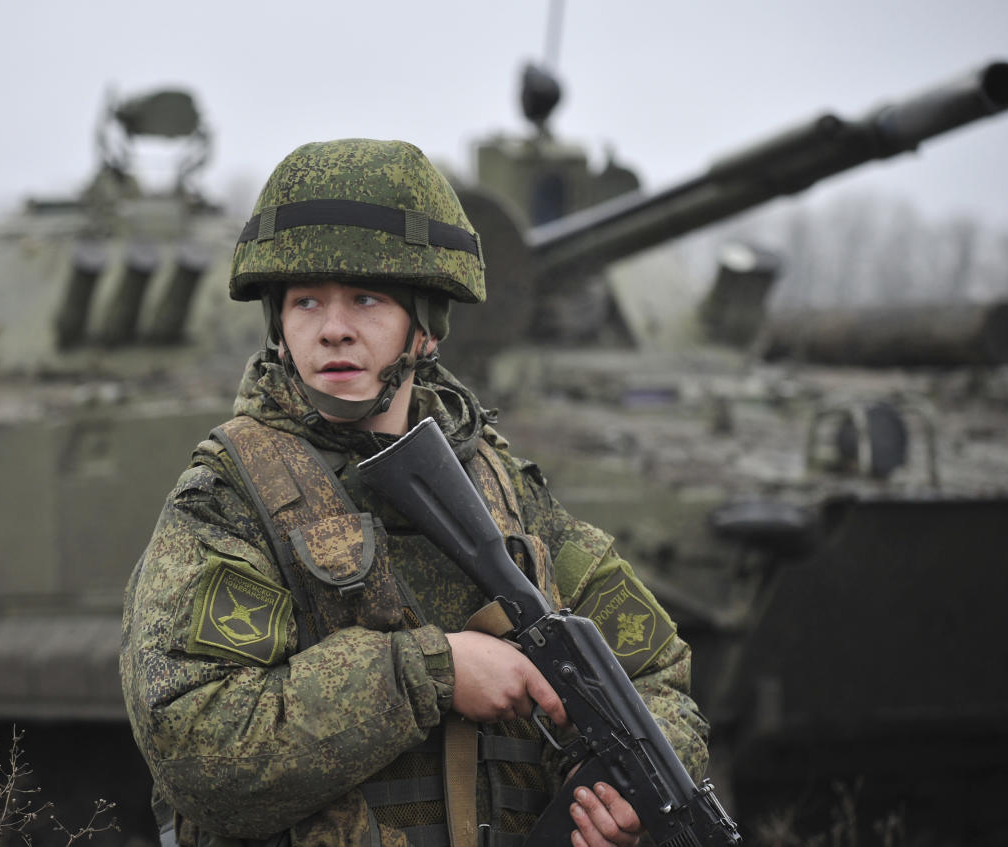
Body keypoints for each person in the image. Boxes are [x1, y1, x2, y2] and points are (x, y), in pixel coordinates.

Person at [121, 138, 709, 847]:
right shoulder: (230, 497)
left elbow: (655, 673)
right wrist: (434, 671)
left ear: (425, 329)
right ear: (279, 326)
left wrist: (621, 792)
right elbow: (196, 747)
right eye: (306, 301)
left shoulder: (500, 487)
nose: (333, 327)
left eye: (365, 299)